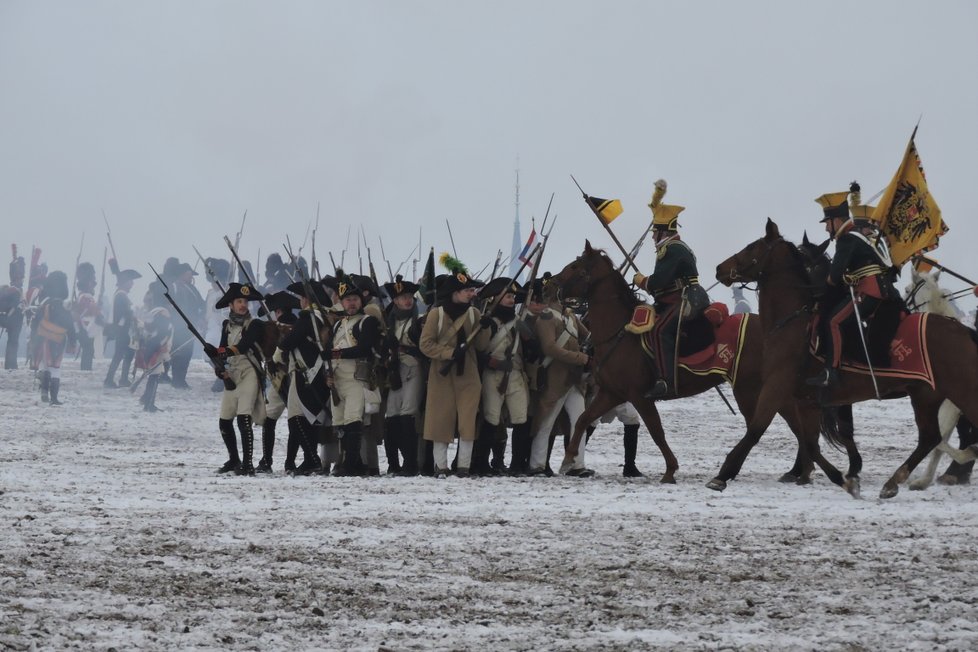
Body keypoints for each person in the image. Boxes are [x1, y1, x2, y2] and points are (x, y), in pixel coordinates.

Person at [807, 182, 902, 386]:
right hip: (879, 290)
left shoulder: (847, 239)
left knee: (833, 321)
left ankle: (831, 372)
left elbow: (835, 275)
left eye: (827, 222)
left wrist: (824, 292)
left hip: (869, 291)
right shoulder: (860, 237)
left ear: (837, 220)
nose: (826, 227)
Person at [632, 179, 707, 398]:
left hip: (686, 298)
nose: (653, 236)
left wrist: (640, 280)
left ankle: (666, 381)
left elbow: (658, 282)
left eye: (655, 232)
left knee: (659, 329)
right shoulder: (672, 247)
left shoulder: (671, 249)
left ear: (663, 232)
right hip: (675, 298)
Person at [418, 256, 489, 477]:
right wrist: (449, 353)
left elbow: (482, 345)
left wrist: (485, 327)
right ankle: (441, 467)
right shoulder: (435, 315)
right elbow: (425, 345)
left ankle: (464, 467)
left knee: (468, 422)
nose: (472, 294)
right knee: (441, 421)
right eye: (467, 290)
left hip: (468, 374)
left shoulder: (474, 313)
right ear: (455, 293)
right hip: (442, 374)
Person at [527, 282, 592, 477]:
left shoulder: (570, 315)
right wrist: (581, 358)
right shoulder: (547, 317)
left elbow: (587, 336)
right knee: (545, 422)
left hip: (574, 378)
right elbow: (550, 348)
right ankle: (536, 464)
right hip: (555, 377)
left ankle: (576, 464)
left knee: (580, 422)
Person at [203, 283, 267, 476]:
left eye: (245, 301)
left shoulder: (255, 324)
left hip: (249, 372)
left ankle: (247, 464)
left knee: (244, 418)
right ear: (231, 304)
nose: (243, 305)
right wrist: (219, 368)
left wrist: (220, 351)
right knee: (224, 421)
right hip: (232, 374)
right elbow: (223, 351)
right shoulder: (226, 325)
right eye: (239, 301)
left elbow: (244, 345)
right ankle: (234, 459)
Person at [272, 281, 332, 475]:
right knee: (308, 418)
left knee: (296, 417)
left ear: (307, 300)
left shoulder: (308, 317)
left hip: (306, 372)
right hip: (312, 372)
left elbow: (293, 339)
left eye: (302, 298)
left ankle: (312, 459)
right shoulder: (321, 317)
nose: (301, 302)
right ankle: (310, 459)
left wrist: (278, 352)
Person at [473, 276, 531, 476]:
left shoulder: (518, 322)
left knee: (521, 419)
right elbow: (479, 350)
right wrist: (484, 328)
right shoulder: (488, 322)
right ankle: (481, 464)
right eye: (507, 296)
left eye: (513, 296)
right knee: (491, 419)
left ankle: (517, 465)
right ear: (494, 299)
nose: (511, 299)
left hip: (514, 374)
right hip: (493, 374)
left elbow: (533, 351)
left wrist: (528, 336)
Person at [328, 275, 382, 476]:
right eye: (348, 300)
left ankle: (351, 464)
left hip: (356, 377)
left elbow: (365, 349)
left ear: (361, 301)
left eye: (355, 299)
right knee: (340, 422)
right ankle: (350, 462)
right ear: (341, 303)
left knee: (353, 420)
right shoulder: (337, 325)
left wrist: (335, 354)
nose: (351, 303)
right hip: (337, 378)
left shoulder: (367, 322)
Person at [380, 275, 425, 475]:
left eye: (409, 296)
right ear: (395, 301)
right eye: (402, 297)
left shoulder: (419, 322)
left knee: (408, 415)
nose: (407, 300)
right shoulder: (390, 322)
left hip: (413, 369)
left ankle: (410, 464)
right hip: (395, 371)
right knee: (391, 417)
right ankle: (393, 464)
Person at [29, 271, 76, 405]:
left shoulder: (44, 302)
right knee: (55, 368)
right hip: (58, 339)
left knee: (45, 367)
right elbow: (69, 325)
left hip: (43, 339)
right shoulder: (64, 305)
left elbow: (35, 322)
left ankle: (44, 391)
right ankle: (54, 398)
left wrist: (33, 339)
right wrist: (73, 340)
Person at [169, 262, 206, 389]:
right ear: (182, 274)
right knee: (177, 352)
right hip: (178, 326)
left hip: (191, 325)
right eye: (189, 274)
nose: (191, 277)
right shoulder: (173, 287)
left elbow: (202, 304)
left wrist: (201, 317)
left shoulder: (193, 289)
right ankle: (176, 379)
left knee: (187, 353)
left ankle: (181, 379)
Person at [103, 266, 141, 388]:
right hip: (122, 329)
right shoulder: (121, 295)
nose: (132, 284)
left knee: (128, 353)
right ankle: (109, 379)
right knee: (119, 355)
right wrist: (133, 316)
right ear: (125, 282)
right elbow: (124, 313)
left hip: (124, 329)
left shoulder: (122, 295)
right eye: (130, 281)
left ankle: (123, 378)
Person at [134, 306, 173, 412]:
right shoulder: (164, 325)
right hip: (155, 354)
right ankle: (149, 404)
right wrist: (163, 350)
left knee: (154, 376)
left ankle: (146, 399)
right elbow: (161, 342)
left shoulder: (149, 326)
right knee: (154, 378)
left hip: (151, 353)